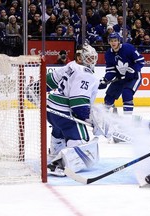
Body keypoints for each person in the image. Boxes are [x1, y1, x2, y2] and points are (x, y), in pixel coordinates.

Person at [46, 43, 100, 176]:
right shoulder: (87, 74)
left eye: (93, 58)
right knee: (83, 147)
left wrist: (35, 89)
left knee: (59, 128)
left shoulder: (71, 65)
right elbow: (78, 106)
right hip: (65, 112)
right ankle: (58, 165)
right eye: (88, 58)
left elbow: (49, 81)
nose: (91, 61)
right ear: (79, 58)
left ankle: (55, 152)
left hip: (51, 110)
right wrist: (90, 119)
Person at [98, 33, 145, 115]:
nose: (113, 43)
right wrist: (105, 80)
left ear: (119, 41)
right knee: (108, 98)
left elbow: (141, 61)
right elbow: (111, 70)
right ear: (109, 42)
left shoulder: (128, 48)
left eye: (115, 40)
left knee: (126, 93)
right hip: (120, 78)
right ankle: (109, 117)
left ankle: (127, 120)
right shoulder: (108, 54)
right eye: (111, 41)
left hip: (133, 77)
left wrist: (132, 70)